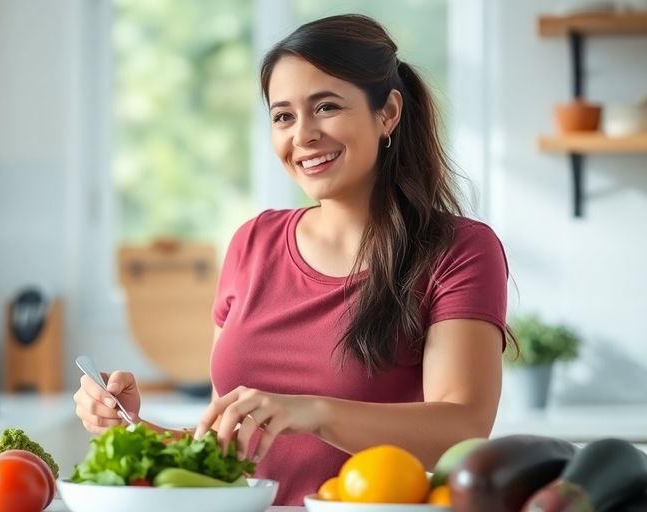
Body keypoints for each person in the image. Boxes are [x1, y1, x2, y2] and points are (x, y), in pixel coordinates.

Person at [73, 13, 510, 506]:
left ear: (387, 113)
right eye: (283, 116)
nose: (302, 135)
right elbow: (221, 453)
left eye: (325, 107)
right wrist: (132, 426)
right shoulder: (253, 242)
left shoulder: (458, 250)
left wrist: (314, 413)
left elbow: (462, 426)